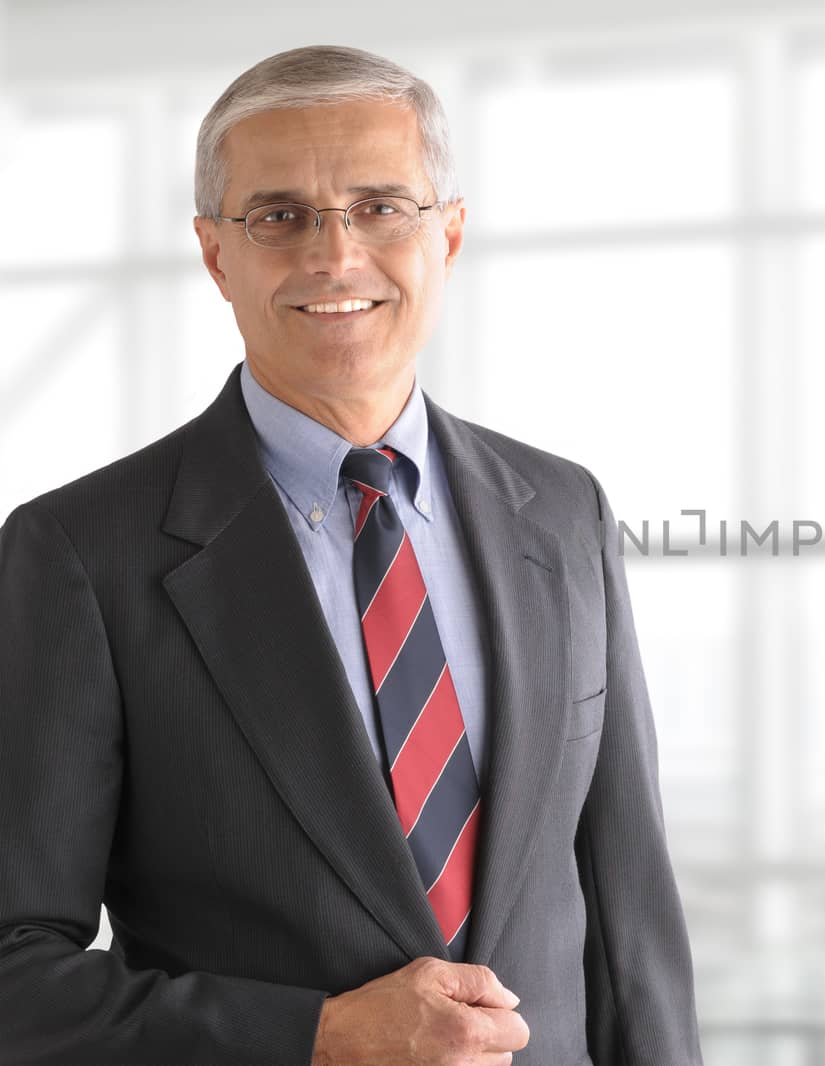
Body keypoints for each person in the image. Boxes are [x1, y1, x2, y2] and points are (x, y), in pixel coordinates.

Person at [0, 45, 703, 1065]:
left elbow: (633, 926)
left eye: (381, 207)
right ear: (214, 255)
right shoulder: (78, 553)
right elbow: (15, 971)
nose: (336, 256)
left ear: (448, 234)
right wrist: (318, 1034)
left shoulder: (562, 512)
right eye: (280, 216)